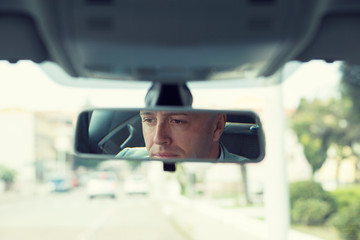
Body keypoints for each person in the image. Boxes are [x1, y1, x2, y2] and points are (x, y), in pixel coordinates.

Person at [116, 111, 247, 162]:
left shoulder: (257, 175)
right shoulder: (126, 159)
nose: (158, 138)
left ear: (217, 126)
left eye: (177, 121)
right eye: (149, 120)